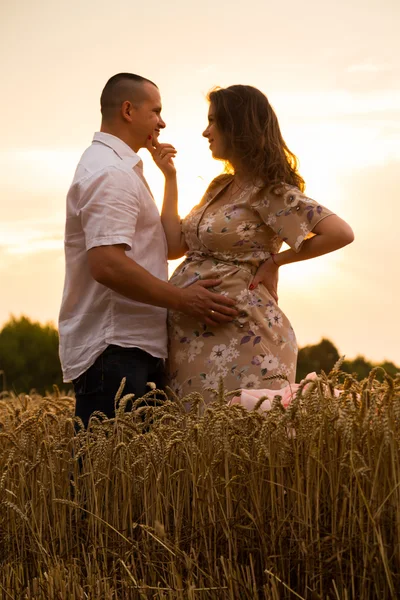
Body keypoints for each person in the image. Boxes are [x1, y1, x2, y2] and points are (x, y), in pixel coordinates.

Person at [58, 73, 237, 428]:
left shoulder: (123, 170)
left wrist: (169, 178)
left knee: (124, 480)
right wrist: (185, 300)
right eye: (155, 111)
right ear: (128, 110)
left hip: (129, 350)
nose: (162, 121)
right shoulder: (110, 173)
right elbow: (107, 264)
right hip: (116, 351)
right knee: (105, 479)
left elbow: (167, 249)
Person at [162, 85, 354, 401]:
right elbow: (173, 247)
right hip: (192, 343)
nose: (205, 131)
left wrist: (277, 261)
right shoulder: (220, 186)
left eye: (213, 121)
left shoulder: (269, 192)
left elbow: (340, 233)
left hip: (243, 340)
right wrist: (170, 178)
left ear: (236, 126)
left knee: (239, 437)